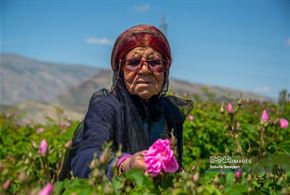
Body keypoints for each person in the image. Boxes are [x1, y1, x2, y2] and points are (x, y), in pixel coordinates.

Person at [70, 24, 193, 179]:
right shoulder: (107, 108)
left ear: (165, 70)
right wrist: (125, 164)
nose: (144, 70)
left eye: (154, 62)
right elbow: (84, 157)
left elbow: (175, 165)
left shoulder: (170, 111)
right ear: (120, 70)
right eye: (134, 62)